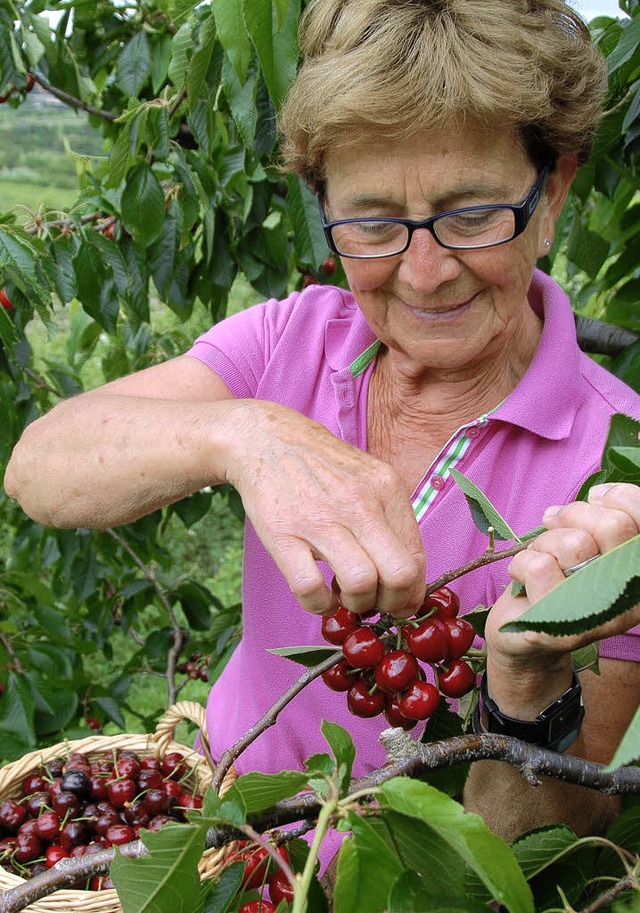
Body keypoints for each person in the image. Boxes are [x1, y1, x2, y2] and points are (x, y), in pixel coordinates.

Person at [5, 0, 640, 846]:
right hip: (214, 837)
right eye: (373, 223)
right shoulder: (292, 338)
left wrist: (528, 680)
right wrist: (249, 435)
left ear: (551, 191)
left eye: (472, 214)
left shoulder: (616, 478)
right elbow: (41, 465)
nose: (424, 272)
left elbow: (555, 834)